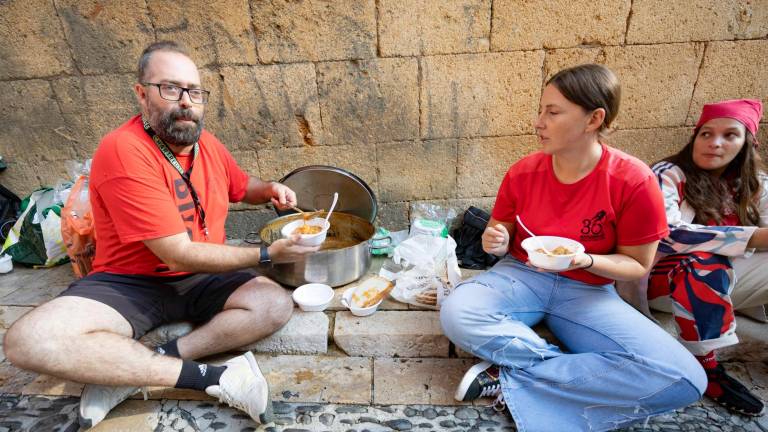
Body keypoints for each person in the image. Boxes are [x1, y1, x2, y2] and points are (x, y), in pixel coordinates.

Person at [2, 41, 318, 429]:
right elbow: (177, 254)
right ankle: (214, 378)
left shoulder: (207, 144)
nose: (186, 101)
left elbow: (241, 186)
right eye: (170, 88)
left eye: (195, 91)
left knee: (275, 305)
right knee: (30, 340)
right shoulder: (123, 149)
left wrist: (270, 188)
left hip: (204, 274)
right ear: (142, 94)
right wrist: (267, 255)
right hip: (131, 281)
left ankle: (141, 369)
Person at [439, 64, 707, 431]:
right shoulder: (523, 171)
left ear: (593, 119)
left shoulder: (632, 180)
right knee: (458, 312)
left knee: (685, 379)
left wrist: (585, 259)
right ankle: (552, 371)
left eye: (553, 112)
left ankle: (508, 378)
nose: (538, 122)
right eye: (541, 111)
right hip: (521, 276)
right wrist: (495, 239)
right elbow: (499, 232)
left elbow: (636, 265)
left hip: (588, 290)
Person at [641, 99, 766, 416]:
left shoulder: (756, 185)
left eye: (729, 135)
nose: (715, 143)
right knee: (702, 259)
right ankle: (706, 368)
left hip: (728, 278)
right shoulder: (668, 174)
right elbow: (667, 234)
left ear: (749, 143)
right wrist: (753, 236)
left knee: (713, 262)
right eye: (706, 134)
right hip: (664, 282)